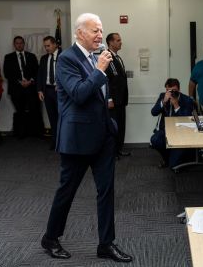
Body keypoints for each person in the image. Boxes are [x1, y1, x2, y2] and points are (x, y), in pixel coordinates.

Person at [41, 13, 132, 262]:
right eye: (95, 31)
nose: (100, 36)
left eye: (101, 31)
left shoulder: (99, 57)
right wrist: (100, 70)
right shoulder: (67, 59)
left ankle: (106, 243)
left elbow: (98, 95)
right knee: (67, 191)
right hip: (78, 138)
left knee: (106, 192)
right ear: (80, 33)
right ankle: (50, 237)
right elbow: (79, 94)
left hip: (103, 136)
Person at [3, 36, 43, 138]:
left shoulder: (31, 56)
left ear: (24, 44)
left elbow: (37, 72)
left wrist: (30, 81)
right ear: (14, 44)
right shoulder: (8, 57)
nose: (19, 45)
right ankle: (20, 134)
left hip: (31, 89)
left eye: (21, 43)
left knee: (34, 110)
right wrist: (19, 82)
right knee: (20, 112)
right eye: (17, 43)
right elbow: (7, 73)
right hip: (16, 90)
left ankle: (35, 133)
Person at [150, 78, 194, 168]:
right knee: (155, 139)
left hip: (181, 133)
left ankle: (175, 159)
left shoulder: (187, 99)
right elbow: (153, 112)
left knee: (173, 165)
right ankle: (166, 158)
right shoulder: (163, 96)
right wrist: (163, 102)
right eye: (168, 90)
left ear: (179, 89)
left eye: (174, 90)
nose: (171, 93)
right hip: (165, 130)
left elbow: (187, 118)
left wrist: (176, 105)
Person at [105, 32, 130, 158]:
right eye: (118, 40)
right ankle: (112, 153)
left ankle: (118, 150)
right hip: (113, 101)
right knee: (113, 127)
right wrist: (109, 98)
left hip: (121, 100)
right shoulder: (106, 57)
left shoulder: (118, 58)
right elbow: (106, 80)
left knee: (121, 126)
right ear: (110, 42)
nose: (121, 42)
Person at [37, 36, 59, 150]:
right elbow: (40, 75)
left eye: (48, 45)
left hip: (59, 91)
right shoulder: (44, 58)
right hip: (47, 91)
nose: (46, 48)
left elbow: (67, 73)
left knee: (62, 117)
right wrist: (40, 90)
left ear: (55, 44)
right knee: (52, 117)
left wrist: (61, 85)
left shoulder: (64, 56)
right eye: (45, 46)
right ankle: (55, 140)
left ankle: (63, 141)